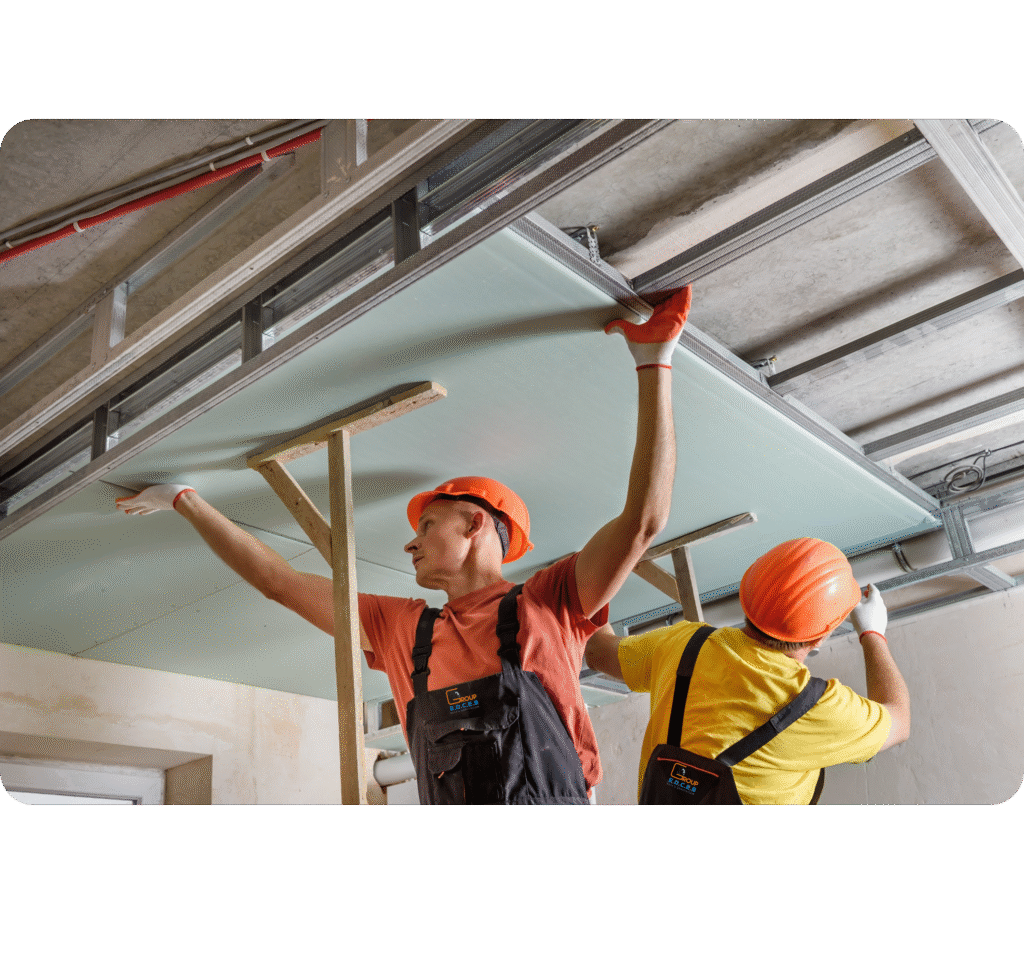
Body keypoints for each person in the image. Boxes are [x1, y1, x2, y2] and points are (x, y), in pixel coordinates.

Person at [116, 286, 692, 804]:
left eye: (427, 527)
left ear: (474, 525)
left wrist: (653, 361)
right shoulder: (402, 631)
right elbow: (281, 584)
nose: (410, 545)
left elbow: (644, 520)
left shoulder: (551, 601)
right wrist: (183, 500)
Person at [583, 537, 910, 805]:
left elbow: (597, 652)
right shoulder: (819, 706)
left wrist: (589, 574)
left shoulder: (685, 644)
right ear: (822, 633)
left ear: (748, 594)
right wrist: (872, 634)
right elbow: (899, 722)